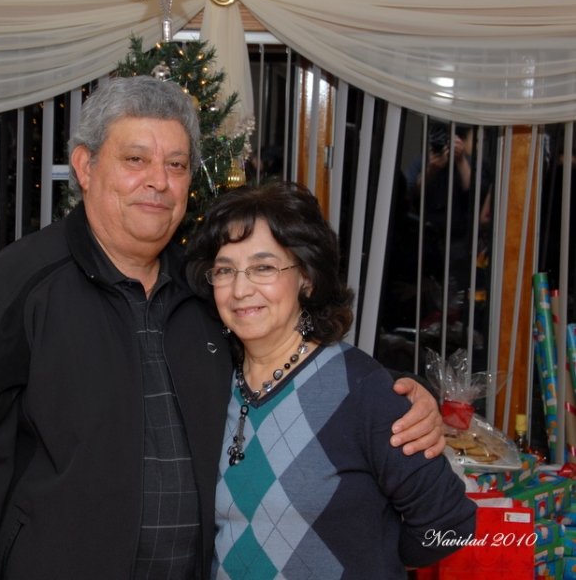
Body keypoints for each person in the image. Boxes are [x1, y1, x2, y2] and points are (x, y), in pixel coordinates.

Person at [0, 76, 444, 579]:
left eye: (177, 165)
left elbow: (289, 361)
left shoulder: (207, 290)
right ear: (85, 167)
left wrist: (402, 395)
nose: (158, 181)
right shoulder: (10, 292)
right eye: (136, 159)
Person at [185, 182, 477, 579]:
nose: (240, 289)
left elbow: (450, 524)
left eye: (263, 267)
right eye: (225, 270)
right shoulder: (213, 382)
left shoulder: (363, 391)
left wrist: (376, 558)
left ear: (306, 277)